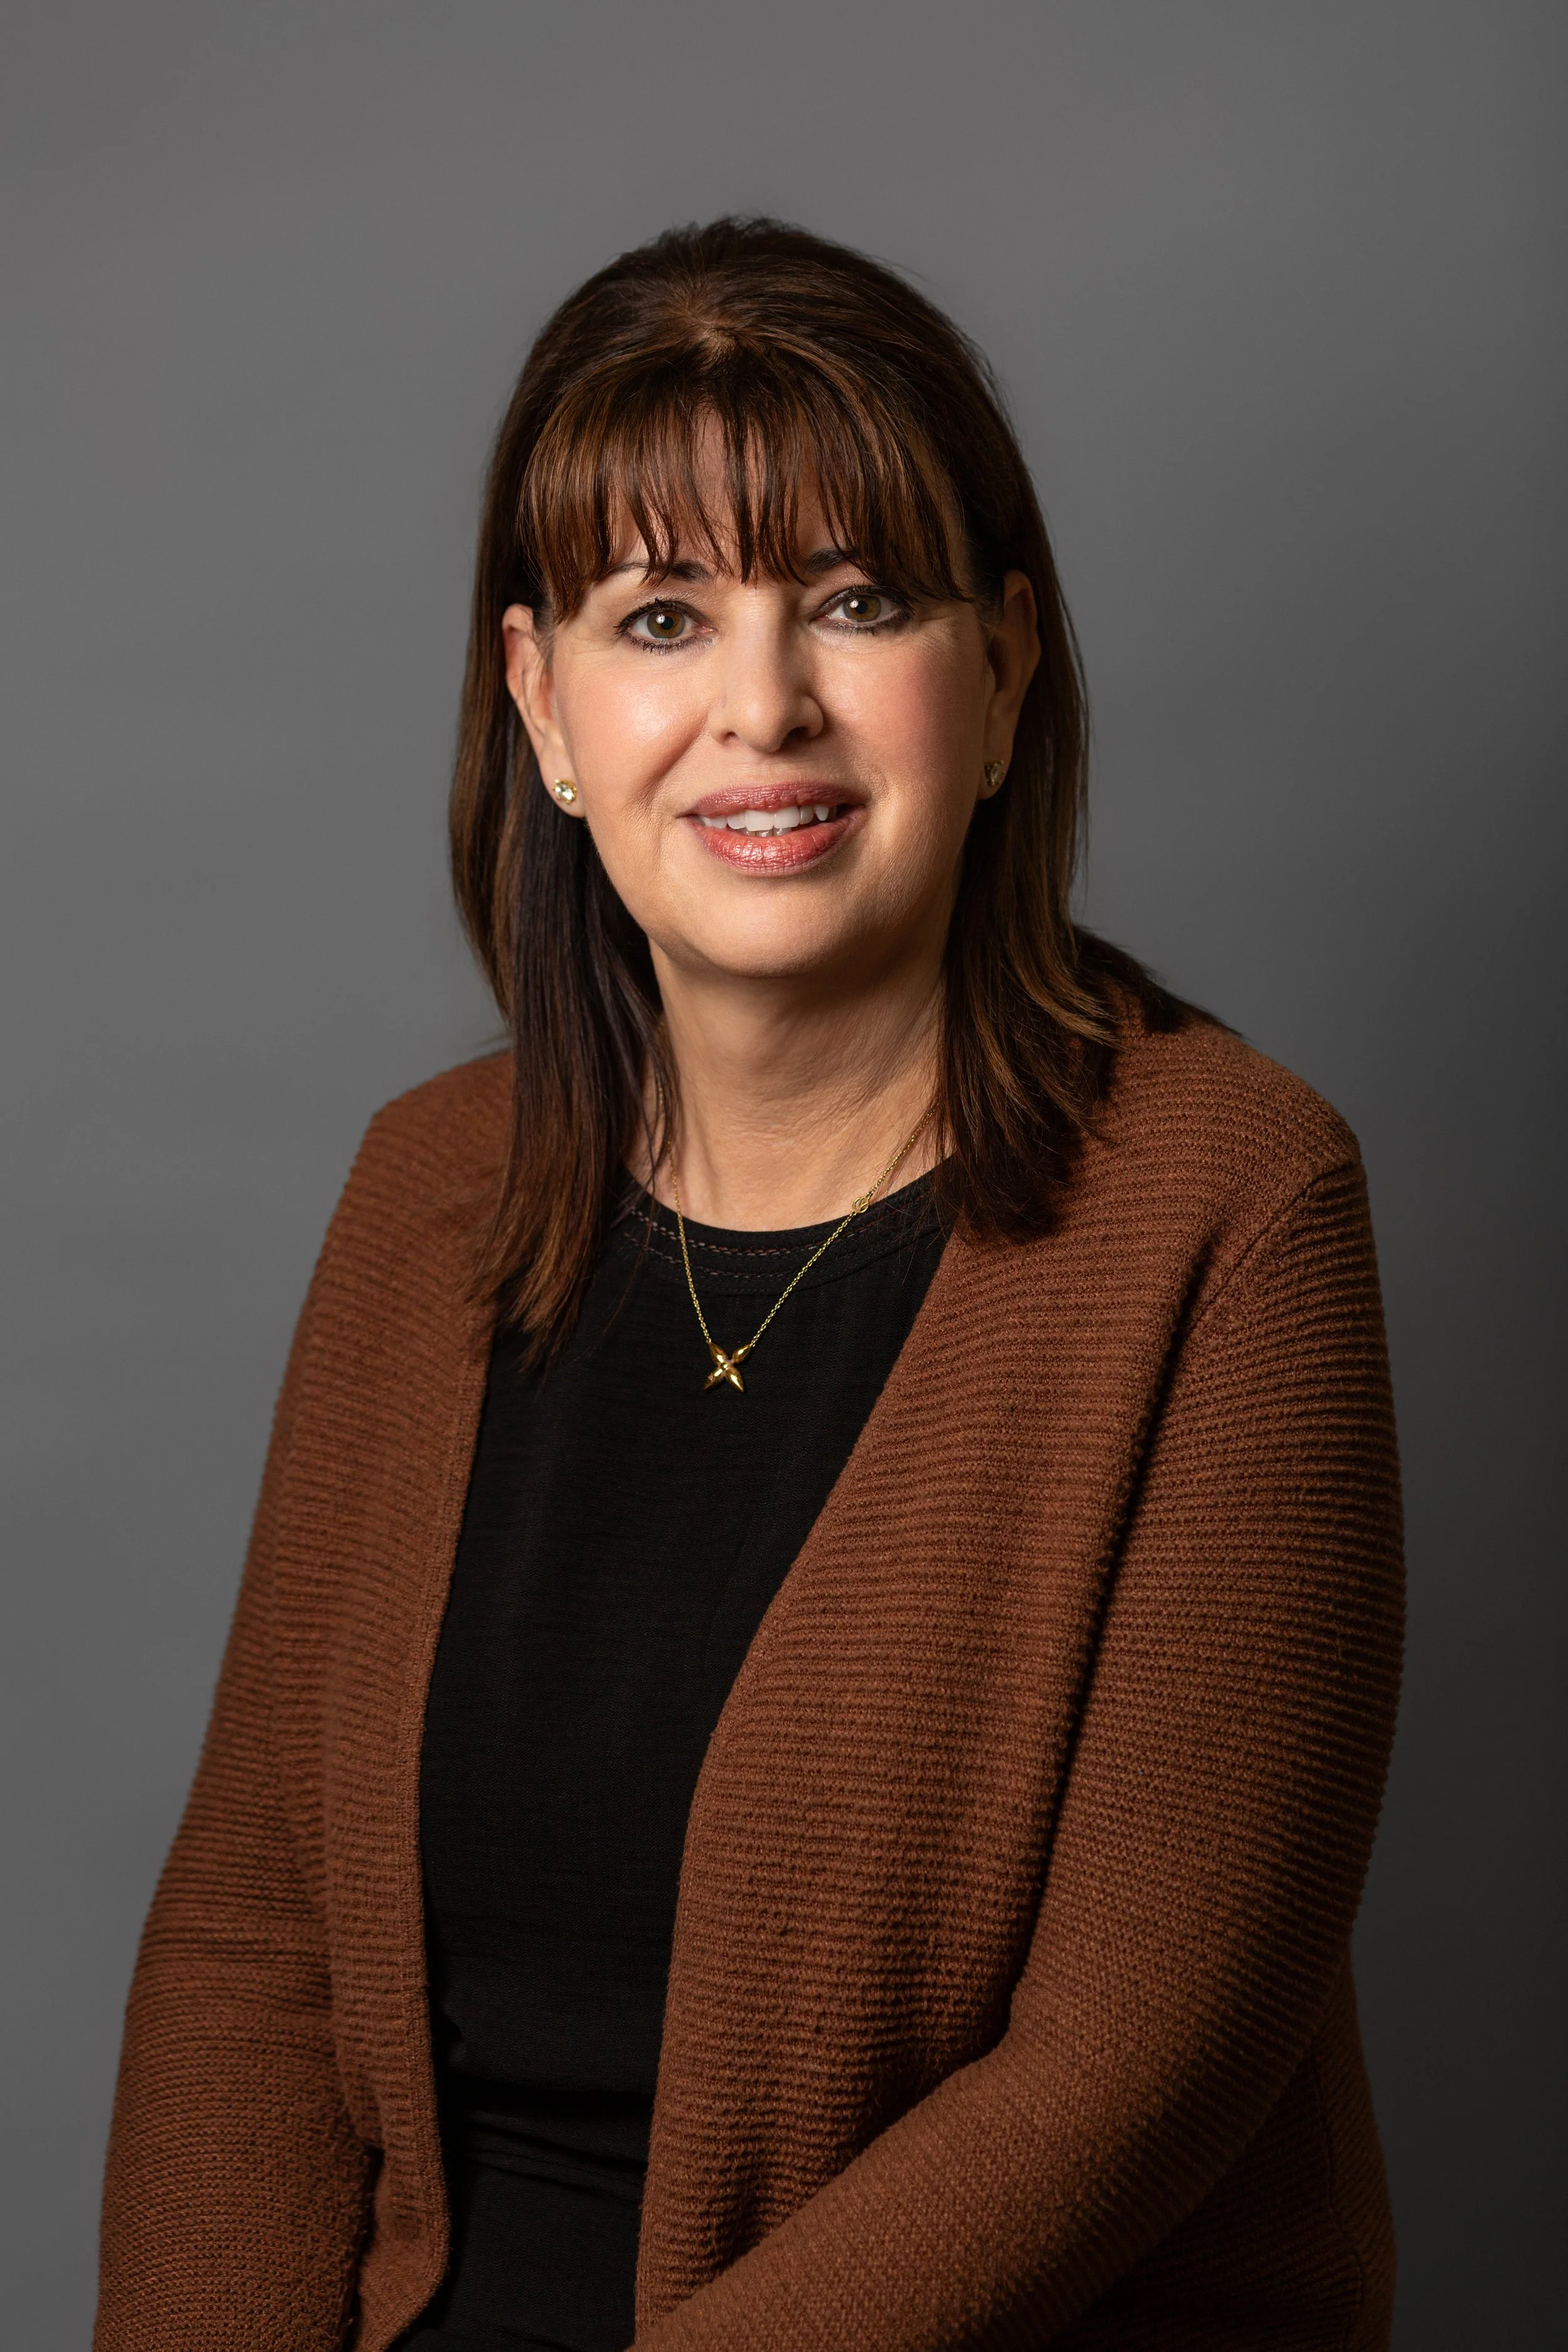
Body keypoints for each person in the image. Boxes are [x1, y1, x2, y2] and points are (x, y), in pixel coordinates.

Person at [94, 217, 1404, 2352]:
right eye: (662, 615)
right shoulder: (429, 1190)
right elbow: (254, 1944)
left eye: (857, 602)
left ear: (1001, 671)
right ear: (540, 703)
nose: (760, 707)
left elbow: (1134, 2065)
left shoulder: (1231, 1208)